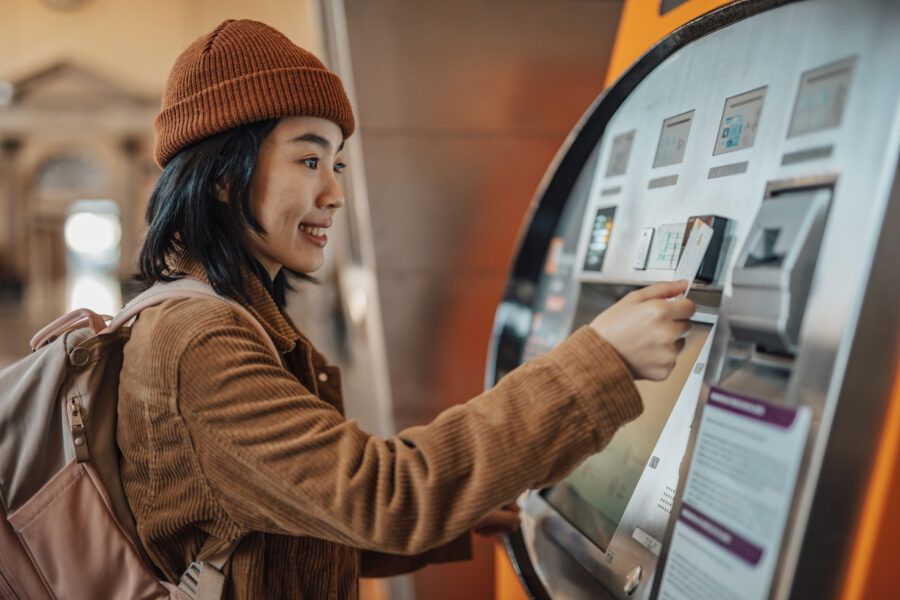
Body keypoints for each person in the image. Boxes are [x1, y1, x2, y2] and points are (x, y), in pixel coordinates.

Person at [117, 19, 695, 599]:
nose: (335, 195)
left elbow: (281, 522)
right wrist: (604, 359)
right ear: (221, 176)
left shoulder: (230, 316)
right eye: (309, 161)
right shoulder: (200, 340)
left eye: (337, 165)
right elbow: (385, 496)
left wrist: (454, 519)